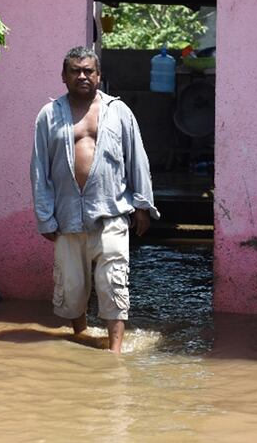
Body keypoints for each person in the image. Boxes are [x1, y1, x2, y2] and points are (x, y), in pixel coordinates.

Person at [30, 46, 160, 353]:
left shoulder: (119, 112)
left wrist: (142, 206)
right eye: (75, 71)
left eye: (89, 70)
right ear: (64, 76)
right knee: (72, 288)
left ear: (99, 75)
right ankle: (81, 338)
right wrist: (44, 217)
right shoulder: (49, 116)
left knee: (113, 284)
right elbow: (39, 169)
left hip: (111, 212)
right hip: (67, 217)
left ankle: (114, 354)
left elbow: (137, 160)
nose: (82, 76)